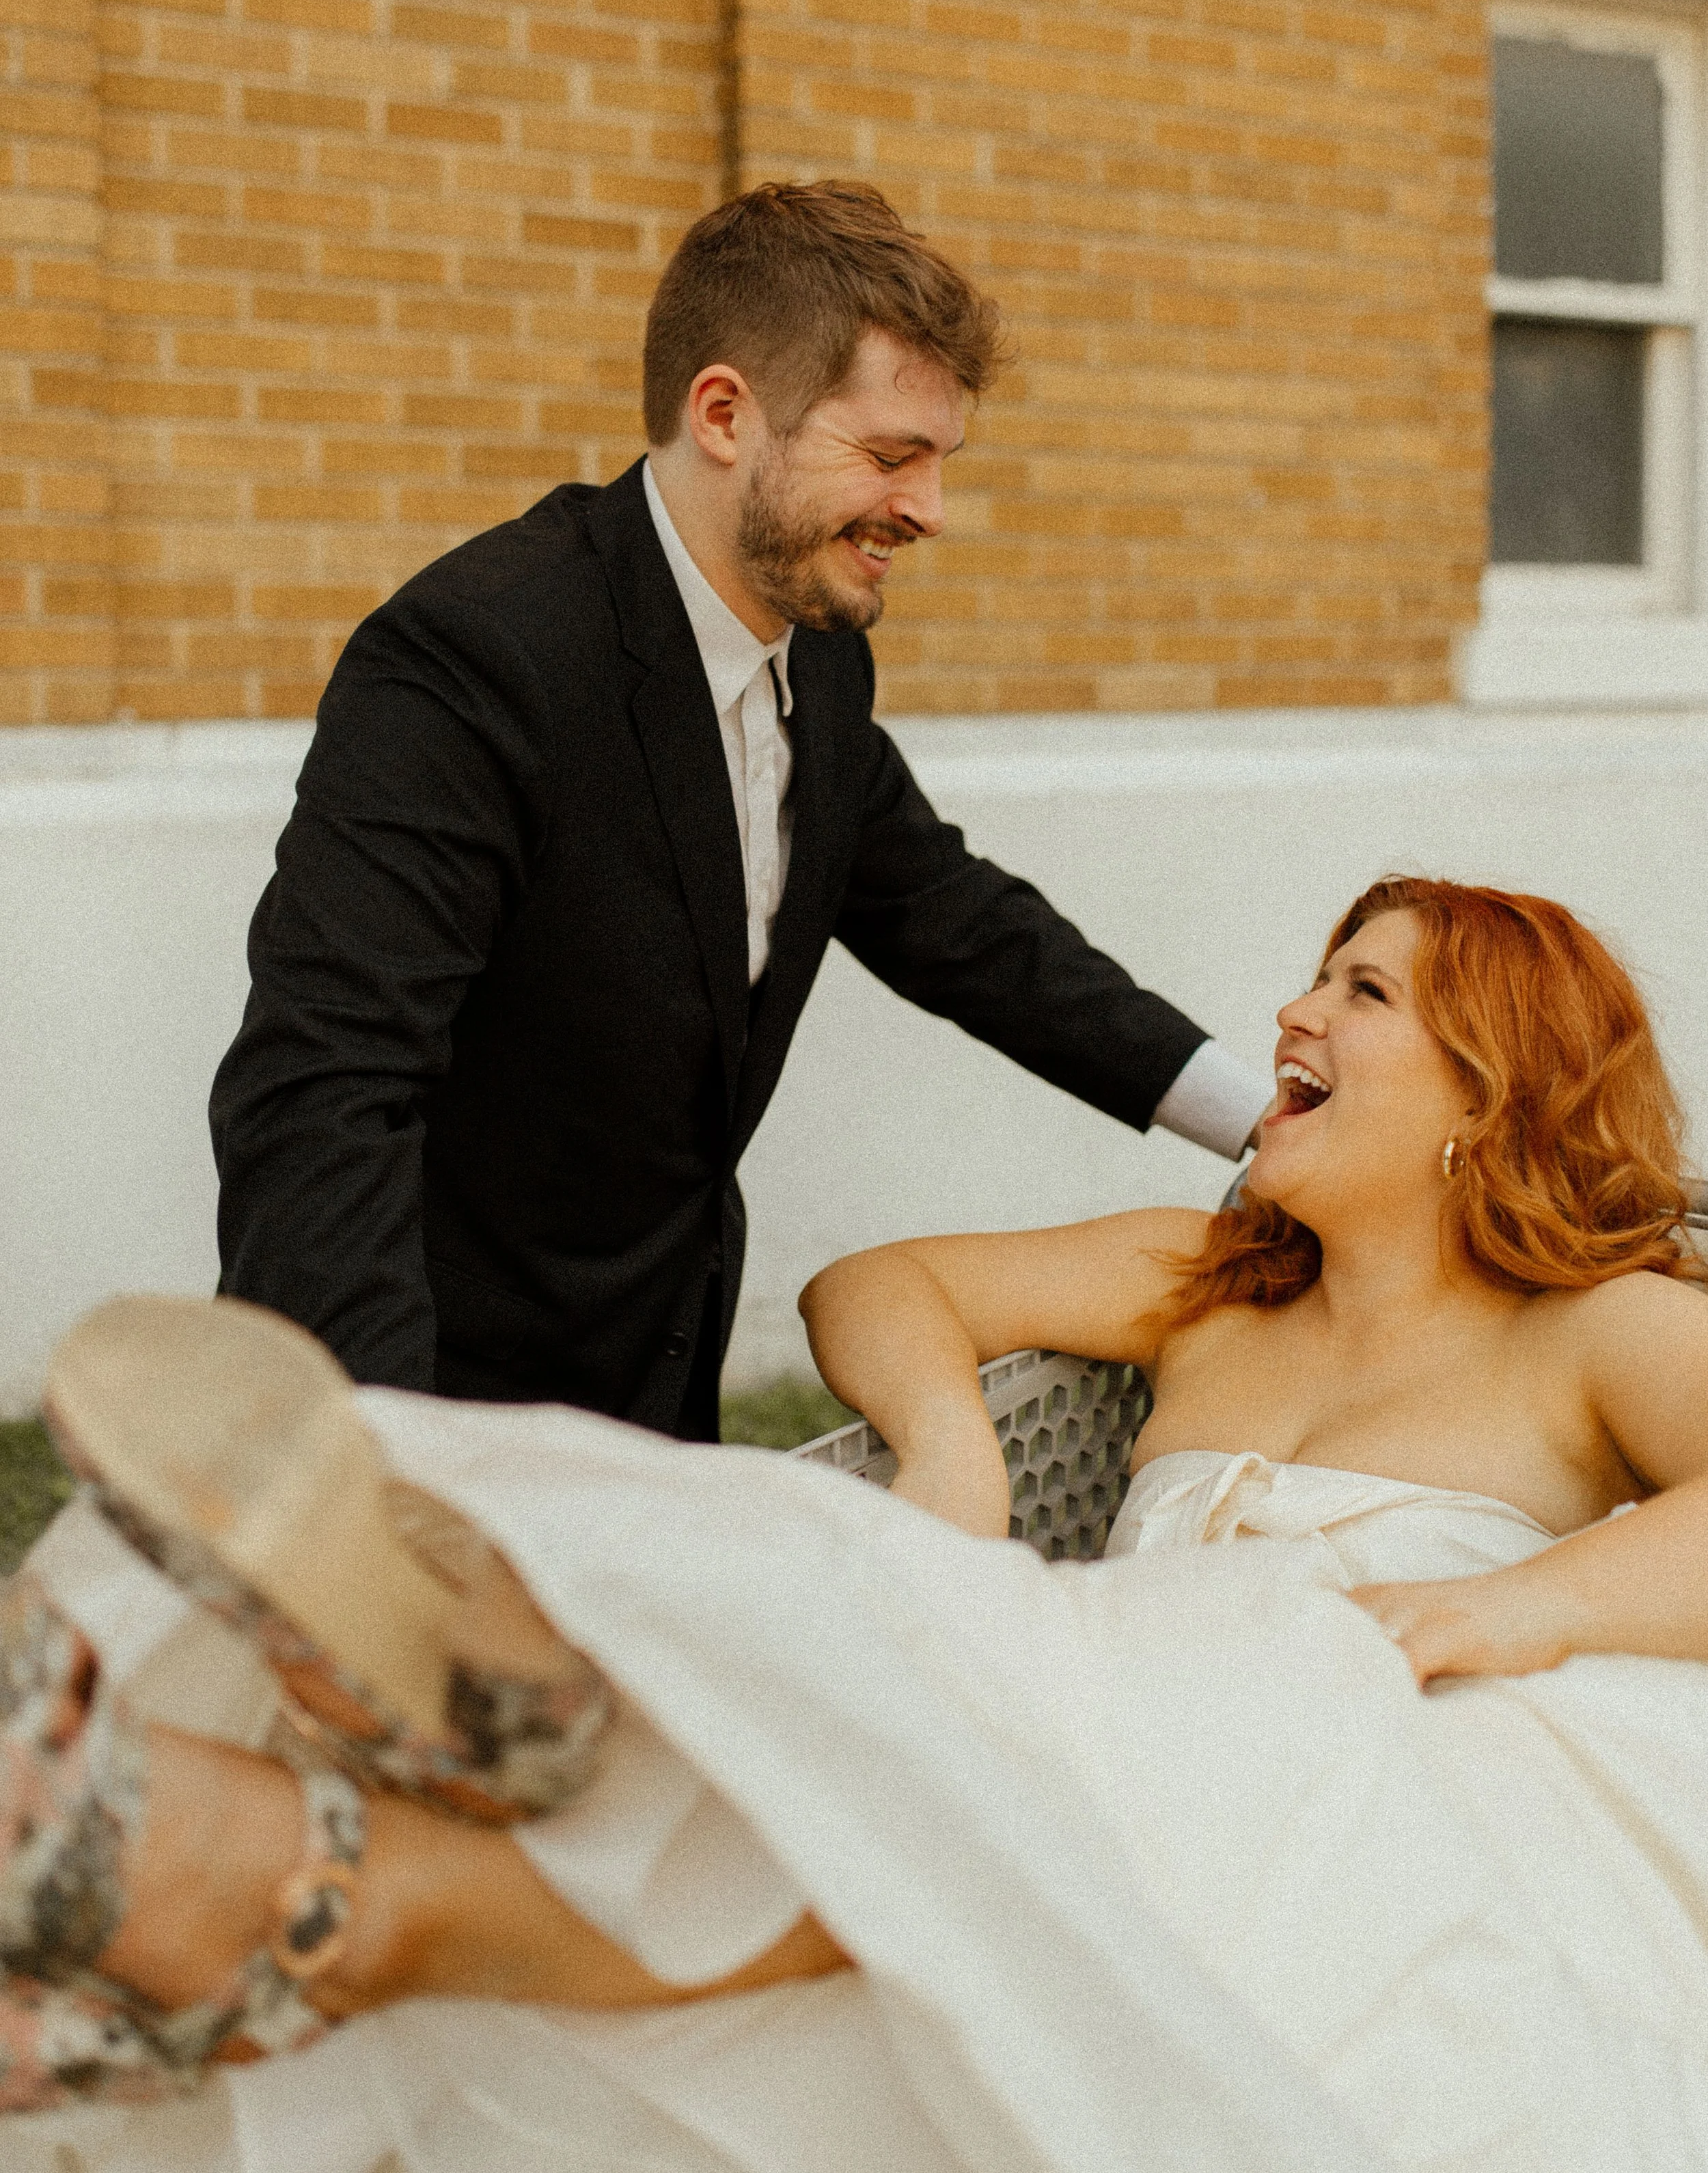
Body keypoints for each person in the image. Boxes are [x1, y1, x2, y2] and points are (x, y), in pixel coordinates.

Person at [9, 874, 1708, 2173]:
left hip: (1391, 1795)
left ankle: (395, 1779)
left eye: (1359, 989)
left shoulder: (1596, 1320)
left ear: (1489, 1087)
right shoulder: (1204, 1288)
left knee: (1132, 1704)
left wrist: (1506, 1614)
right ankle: (429, 1745)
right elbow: (875, 1286)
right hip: (1095, 1740)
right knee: (913, 1688)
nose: (1290, 1012)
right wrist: (952, 1457)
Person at [208, 180, 1268, 1436]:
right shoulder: (477, 657)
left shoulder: (819, 654)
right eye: (889, 457)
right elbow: (324, 1089)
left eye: (942, 462)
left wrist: (1270, 1124)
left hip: (658, 1384)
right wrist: (391, 1476)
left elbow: (954, 918)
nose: (930, 510)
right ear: (724, 413)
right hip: (440, 1405)